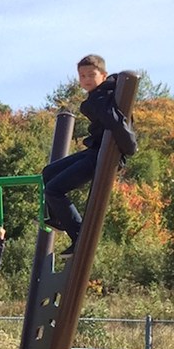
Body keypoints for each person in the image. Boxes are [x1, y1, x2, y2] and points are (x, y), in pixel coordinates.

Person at [43, 54, 138, 257]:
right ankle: (59, 219)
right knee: (49, 172)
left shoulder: (101, 98)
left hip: (104, 156)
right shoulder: (99, 95)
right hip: (96, 150)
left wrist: (129, 147)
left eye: (91, 75)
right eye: (82, 75)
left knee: (53, 190)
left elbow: (116, 122)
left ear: (103, 75)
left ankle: (80, 237)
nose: (86, 79)